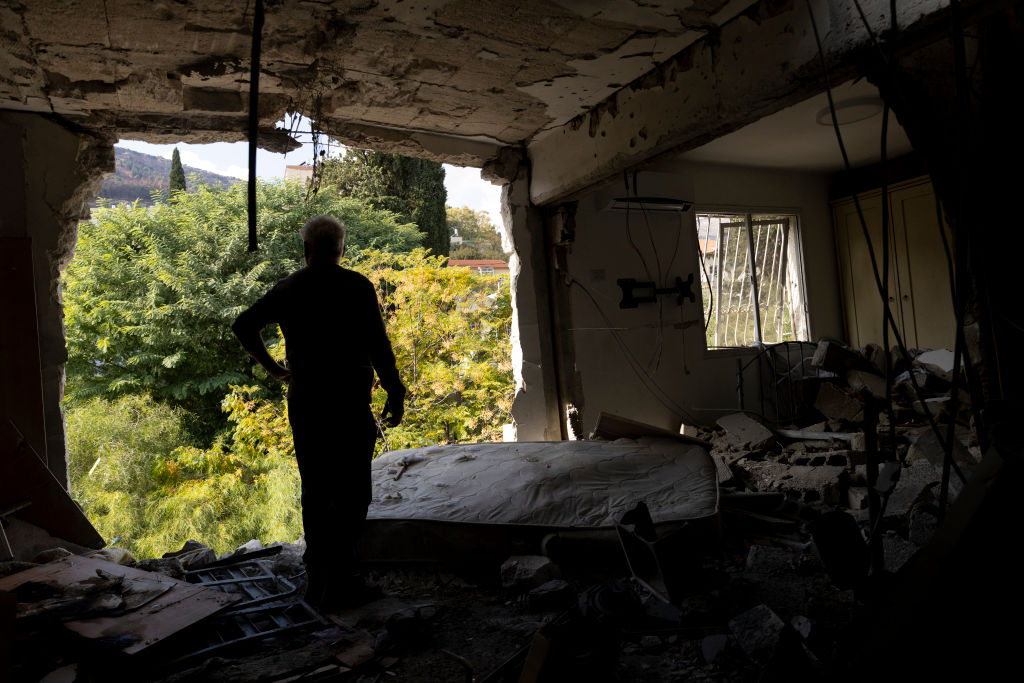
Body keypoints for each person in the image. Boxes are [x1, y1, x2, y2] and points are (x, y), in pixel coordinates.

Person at [232, 214, 405, 609]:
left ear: (306, 250)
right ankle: (343, 581)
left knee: (317, 489)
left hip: (308, 403)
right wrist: (395, 391)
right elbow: (379, 346)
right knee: (353, 492)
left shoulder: (290, 288)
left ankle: (317, 582)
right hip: (349, 404)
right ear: (341, 250)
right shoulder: (356, 286)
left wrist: (275, 368)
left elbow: (243, 325)